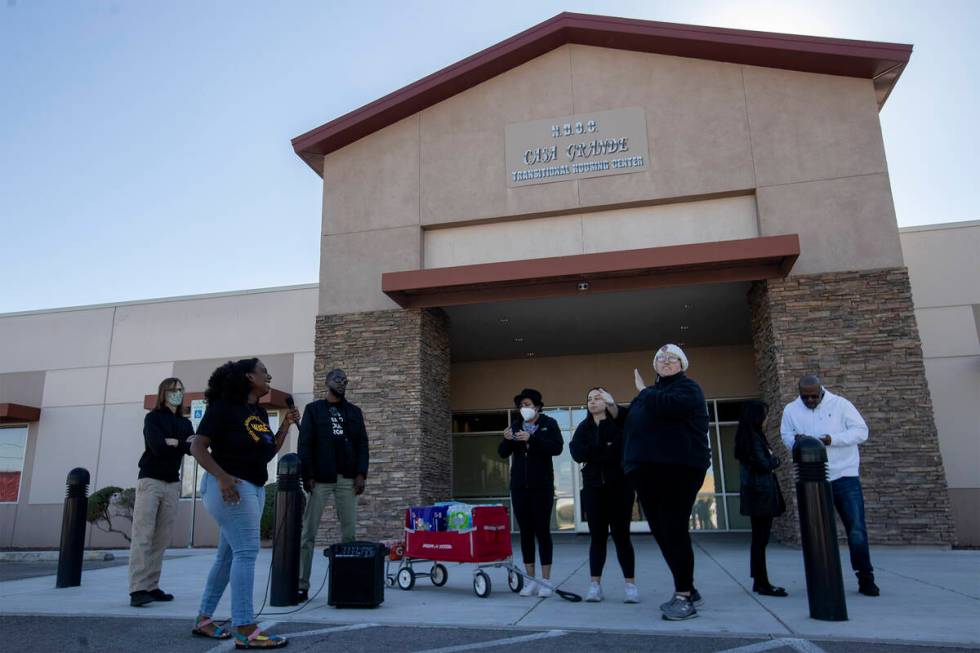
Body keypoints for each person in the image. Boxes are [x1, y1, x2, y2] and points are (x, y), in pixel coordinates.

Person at [189, 358, 299, 648]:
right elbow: (197, 446)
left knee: (227, 556)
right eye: (264, 371)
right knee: (247, 552)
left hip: (253, 486)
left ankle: (204, 619)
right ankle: (244, 626)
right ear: (249, 376)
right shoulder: (223, 407)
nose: (269, 375)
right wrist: (222, 477)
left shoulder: (258, 412)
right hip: (230, 488)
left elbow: (265, 454)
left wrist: (285, 426)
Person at [623, 344, 710, 621]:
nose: (666, 361)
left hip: (679, 469)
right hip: (647, 472)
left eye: (673, 358)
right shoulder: (648, 395)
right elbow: (632, 425)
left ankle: (684, 597)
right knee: (662, 532)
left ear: (682, 364)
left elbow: (670, 407)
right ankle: (689, 586)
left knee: (674, 529)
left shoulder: (687, 388)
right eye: (661, 358)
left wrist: (644, 391)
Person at [780, 374, 879, 597]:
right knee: (816, 532)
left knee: (856, 529)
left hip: (844, 476)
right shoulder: (791, 410)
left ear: (822, 391)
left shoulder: (841, 404)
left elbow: (861, 432)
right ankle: (822, 577)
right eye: (806, 398)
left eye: (815, 396)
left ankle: (865, 577)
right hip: (813, 479)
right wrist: (798, 441)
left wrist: (831, 440)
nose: (811, 401)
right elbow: (785, 435)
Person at [296, 368, 369, 602]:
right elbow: (305, 444)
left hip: (347, 478)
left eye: (345, 380)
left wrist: (361, 474)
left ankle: (348, 583)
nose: (342, 382)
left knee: (349, 534)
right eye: (338, 379)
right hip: (321, 478)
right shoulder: (313, 410)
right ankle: (301, 584)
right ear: (327, 382)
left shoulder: (354, 412)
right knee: (308, 532)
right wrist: (306, 475)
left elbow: (362, 445)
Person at [128, 377, 194, 607]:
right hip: (150, 480)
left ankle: (152, 586)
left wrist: (175, 443)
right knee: (143, 535)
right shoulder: (153, 418)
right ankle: (137, 589)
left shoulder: (185, 423)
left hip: (172, 483)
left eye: (180, 389)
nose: (177, 393)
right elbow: (156, 446)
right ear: (163, 393)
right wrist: (178, 445)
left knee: (161, 538)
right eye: (173, 390)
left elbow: (192, 448)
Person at [569, 387, 638, 603]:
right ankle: (595, 586)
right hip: (593, 489)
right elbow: (576, 452)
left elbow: (617, 451)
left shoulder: (619, 424)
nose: (593, 402)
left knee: (622, 537)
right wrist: (602, 450)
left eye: (597, 398)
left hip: (620, 488)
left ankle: (630, 586)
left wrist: (597, 452)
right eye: (589, 399)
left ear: (607, 400)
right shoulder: (583, 427)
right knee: (597, 538)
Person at [499, 388, 564, 598]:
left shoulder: (549, 424)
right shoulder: (516, 425)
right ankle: (530, 581)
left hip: (542, 487)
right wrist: (507, 438)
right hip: (519, 487)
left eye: (527, 404)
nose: (523, 408)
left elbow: (557, 448)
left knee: (542, 531)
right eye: (521, 405)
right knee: (525, 532)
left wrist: (532, 439)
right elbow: (502, 452)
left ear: (537, 406)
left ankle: (545, 580)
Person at [734, 400, 787, 597]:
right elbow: (763, 464)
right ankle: (762, 582)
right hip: (761, 494)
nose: (766, 419)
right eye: (764, 415)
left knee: (759, 540)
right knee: (760, 540)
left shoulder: (746, 437)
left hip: (756, 494)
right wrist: (776, 460)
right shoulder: (753, 438)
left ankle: (759, 580)